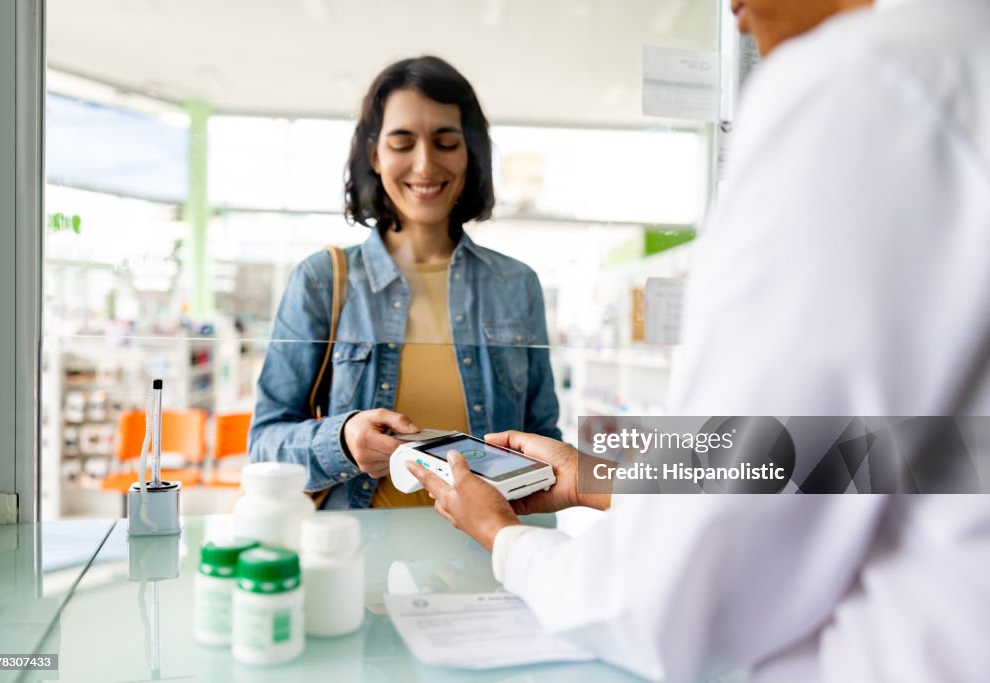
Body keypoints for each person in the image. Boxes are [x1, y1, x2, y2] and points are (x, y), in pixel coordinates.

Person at [407, 0, 990, 680]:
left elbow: (675, 605)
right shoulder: (957, 61)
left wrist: (503, 539)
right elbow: (907, 453)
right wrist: (596, 475)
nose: (732, 8)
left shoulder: (862, 84)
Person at [249, 56, 561, 510]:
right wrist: (342, 438)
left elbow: (543, 440)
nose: (425, 163)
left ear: (469, 152)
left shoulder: (515, 284)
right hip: (361, 559)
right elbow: (263, 443)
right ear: (374, 155)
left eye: (446, 141)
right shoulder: (321, 280)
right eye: (402, 142)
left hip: (488, 554)